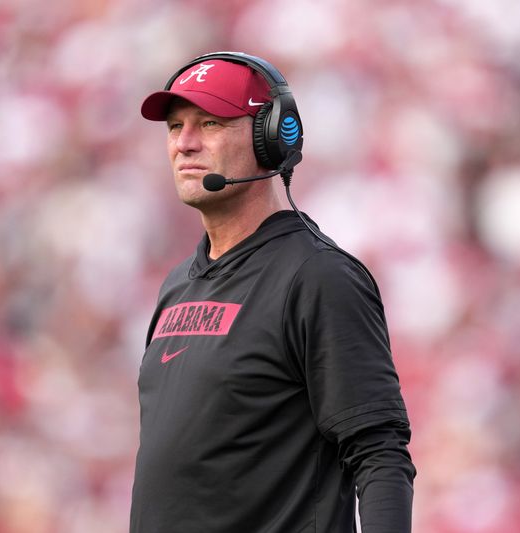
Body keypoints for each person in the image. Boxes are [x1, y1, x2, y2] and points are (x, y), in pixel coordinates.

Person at [130, 52, 416, 533]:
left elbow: (379, 453)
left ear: (272, 136)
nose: (185, 143)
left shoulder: (318, 277)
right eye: (175, 126)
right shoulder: (178, 284)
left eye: (210, 123)